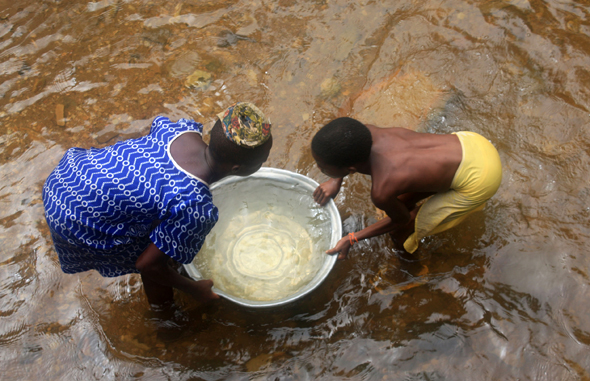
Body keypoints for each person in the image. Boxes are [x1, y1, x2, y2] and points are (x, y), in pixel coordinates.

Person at [43, 102, 273, 307]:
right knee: (153, 258)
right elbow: (147, 265)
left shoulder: (182, 131)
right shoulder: (195, 207)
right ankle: (162, 315)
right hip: (74, 215)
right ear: (237, 169)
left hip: (72, 173)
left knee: (158, 229)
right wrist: (195, 289)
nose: (264, 163)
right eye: (262, 160)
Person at [311, 117, 501, 259]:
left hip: (482, 178)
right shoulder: (368, 133)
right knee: (401, 202)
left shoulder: (382, 190)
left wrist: (352, 238)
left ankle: (411, 269)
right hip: (471, 144)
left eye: (323, 168)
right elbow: (348, 144)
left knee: (401, 232)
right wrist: (335, 179)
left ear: (350, 169)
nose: (320, 169)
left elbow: (400, 221)